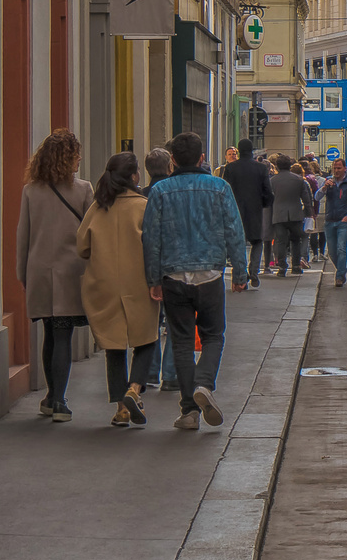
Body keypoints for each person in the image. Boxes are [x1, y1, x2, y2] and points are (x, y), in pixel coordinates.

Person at [143, 131, 248, 430]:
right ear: (202, 157)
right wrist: (240, 273)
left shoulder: (161, 191)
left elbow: (151, 239)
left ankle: (189, 410)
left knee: (181, 341)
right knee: (214, 335)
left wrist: (153, 278)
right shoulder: (219, 187)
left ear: (172, 160)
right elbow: (234, 232)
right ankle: (204, 384)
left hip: (173, 274)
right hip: (210, 274)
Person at [15, 129, 93, 423]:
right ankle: (59, 400)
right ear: (68, 158)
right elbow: (89, 234)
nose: (79, 160)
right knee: (63, 333)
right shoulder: (84, 190)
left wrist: (22, 272)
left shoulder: (31, 191)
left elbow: (24, 235)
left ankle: (50, 396)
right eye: (76, 154)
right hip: (71, 271)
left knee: (50, 331)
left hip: (39, 271)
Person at [77, 152, 160, 427]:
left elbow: (82, 247)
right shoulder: (143, 206)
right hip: (138, 283)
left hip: (103, 284)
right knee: (146, 339)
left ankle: (121, 409)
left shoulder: (98, 207)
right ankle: (134, 389)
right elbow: (154, 246)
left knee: (114, 346)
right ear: (135, 176)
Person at [141, 148, 181, 391]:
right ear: (170, 167)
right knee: (176, 321)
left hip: (146, 265)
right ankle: (171, 374)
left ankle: (150, 372)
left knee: (150, 322)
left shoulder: (141, 195)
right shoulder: (175, 193)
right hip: (174, 264)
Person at [223, 138, 273, 289]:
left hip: (235, 211)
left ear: (239, 150)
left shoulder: (231, 168)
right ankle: (254, 271)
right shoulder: (261, 168)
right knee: (257, 242)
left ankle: (242, 273)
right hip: (255, 210)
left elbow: (225, 190)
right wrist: (264, 204)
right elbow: (267, 191)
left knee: (238, 243)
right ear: (251, 150)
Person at [317, 159, 347, 288]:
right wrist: (324, 187)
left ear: (344, 169)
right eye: (334, 168)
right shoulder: (328, 182)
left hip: (342, 221)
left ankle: (340, 276)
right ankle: (342, 271)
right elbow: (316, 197)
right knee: (331, 252)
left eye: (338, 168)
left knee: (341, 249)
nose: (336, 171)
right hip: (329, 221)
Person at [271, 155, 314, 277]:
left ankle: (282, 267)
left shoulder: (273, 181)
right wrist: (309, 213)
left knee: (280, 241)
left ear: (277, 166)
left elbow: (268, 198)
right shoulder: (299, 180)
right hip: (295, 214)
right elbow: (306, 199)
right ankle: (295, 266)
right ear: (290, 165)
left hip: (278, 215)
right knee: (296, 240)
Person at [303, 160, 327, 260]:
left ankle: (315, 254)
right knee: (322, 232)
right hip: (323, 208)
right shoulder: (324, 180)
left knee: (313, 232)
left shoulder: (308, 180)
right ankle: (322, 252)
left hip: (312, 209)